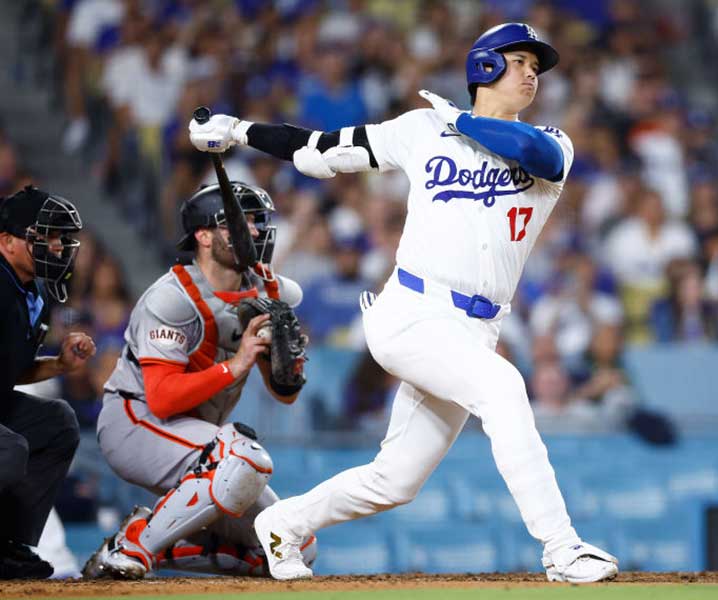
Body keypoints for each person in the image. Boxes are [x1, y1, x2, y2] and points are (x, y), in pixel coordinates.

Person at [189, 22, 619, 584]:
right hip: (413, 313)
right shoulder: (422, 130)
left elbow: (533, 152)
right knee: (504, 388)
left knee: (395, 481)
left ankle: (282, 523)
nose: (532, 74)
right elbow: (319, 149)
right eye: (520, 62)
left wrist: (459, 119)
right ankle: (561, 549)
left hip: (473, 332)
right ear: (484, 67)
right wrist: (239, 130)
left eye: (537, 68)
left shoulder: (549, 142)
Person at [81, 182, 316, 579]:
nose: (253, 231)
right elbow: (161, 399)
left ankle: (146, 544)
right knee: (241, 456)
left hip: (198, 436)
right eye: (238, 224)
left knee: (291, 544)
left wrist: (285, 366)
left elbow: (285, 396)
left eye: (257, 222)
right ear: (203, 236)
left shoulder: (269, 289)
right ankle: (133, 546)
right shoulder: (172, 298)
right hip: (135, 423)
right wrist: (237, 364)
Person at [0, 185, 91, 579]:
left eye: (59, 236)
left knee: (57, 422)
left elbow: (7, 368)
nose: (56, 246)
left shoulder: (30, 290)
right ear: (7, 242)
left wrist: (58, 365)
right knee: (9, 448)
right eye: (43, 236)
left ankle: (9, 544)